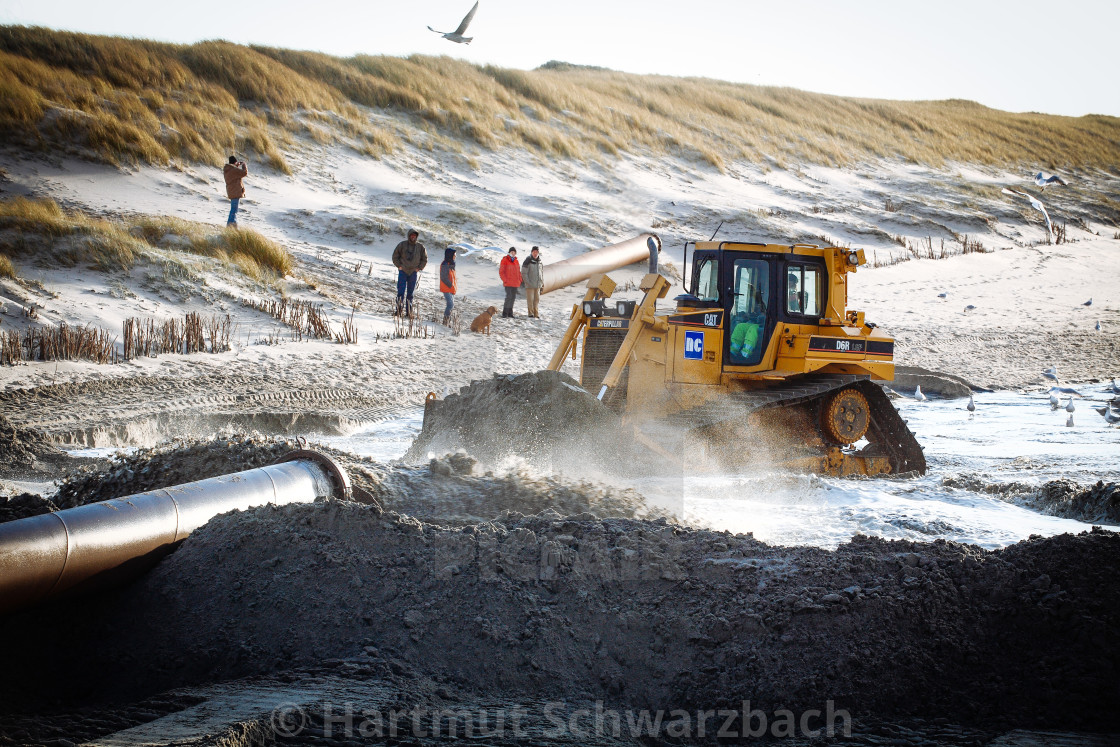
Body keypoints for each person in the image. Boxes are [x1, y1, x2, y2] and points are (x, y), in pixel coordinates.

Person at [392, 229, 427, 316]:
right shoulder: (402, 245)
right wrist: (399, 266)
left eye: (414, 235)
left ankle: (409, 312)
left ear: (416, 236)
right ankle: (398, 311)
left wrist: (419, 268)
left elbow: (424, 259)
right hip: (403, 271)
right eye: (411, 235)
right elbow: (395, 256)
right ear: (409, 235)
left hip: (413, 273)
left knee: (410, 294)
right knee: (401, 292)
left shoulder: (420, 247)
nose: (413, 237)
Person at [223, 156, 248, 228]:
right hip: (235, 191)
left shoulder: (228, 169)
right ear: (234, 162)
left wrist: (236, 165)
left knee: (234, 209)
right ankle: (229, 225)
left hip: (231, 191)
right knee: (234, 210)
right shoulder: (233, 170)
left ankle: (234, 226)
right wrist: (244, 165)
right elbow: (244, 173)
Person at [521, 245, 544, 318]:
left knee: (537, 300)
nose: (535, 253)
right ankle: (530, 314)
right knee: (530, 300)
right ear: (531, 252)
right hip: (530, 285)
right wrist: (528, 282)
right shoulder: (527, 261)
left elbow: (541, 273)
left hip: (538, 284)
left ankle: (536, 314)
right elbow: (523, 273)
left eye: (537, 252)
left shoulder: (540, 262)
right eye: (534, 252)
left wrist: (542, 283)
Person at [499, 246, 522, 318]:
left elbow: (518, 272)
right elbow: (501, 271)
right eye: (512, 252)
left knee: (513, 298)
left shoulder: (516, 261)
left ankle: (510, 313)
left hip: (515, 283)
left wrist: (520, 280)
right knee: (508, 297)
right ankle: (504, 313)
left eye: (514, 252)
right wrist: (505, 280)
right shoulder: (505, 260)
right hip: (508, 283)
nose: (513, 253)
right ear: (509, 252)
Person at [439, 247, 457, 325]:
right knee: (450, 305)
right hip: (447, 288)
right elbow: (443, 277)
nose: (455, 256)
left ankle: (447, 321)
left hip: (451, 289)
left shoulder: (451, 264)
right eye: (454, 255)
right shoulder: (445, 264)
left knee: (451, 305)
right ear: (450, 255)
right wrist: (450, 285)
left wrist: (453, 286)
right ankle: (445, 321)